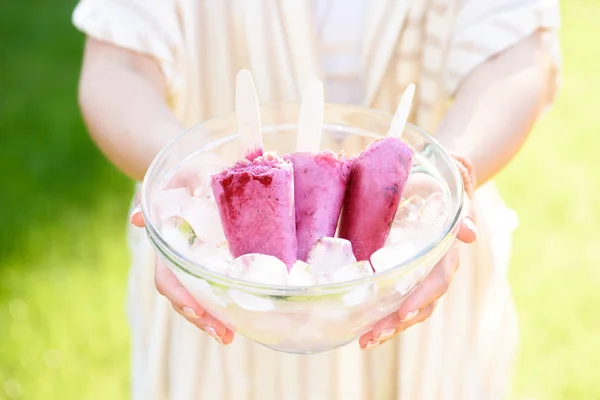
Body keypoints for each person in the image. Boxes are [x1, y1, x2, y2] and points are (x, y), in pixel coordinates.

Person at [73, 0, 561, 399]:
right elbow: (118, 65)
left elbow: (515, 57)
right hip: (220, 292)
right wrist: (176, 174)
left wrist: (452, 170)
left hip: (416, 274)